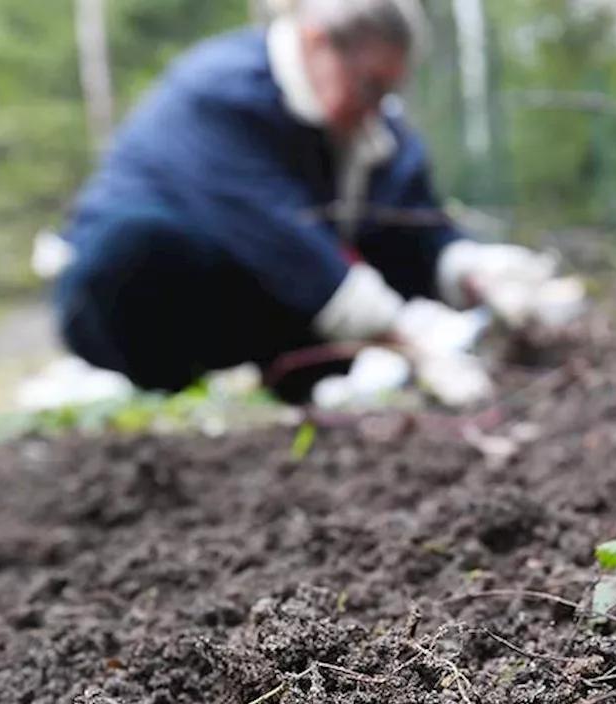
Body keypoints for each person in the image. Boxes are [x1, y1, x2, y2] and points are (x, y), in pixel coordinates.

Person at [47, 0, 562, 404]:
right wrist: (417, 344)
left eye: (389, 92)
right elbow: (286, 244)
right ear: (316, 43)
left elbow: (416, 232)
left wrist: (479, 273)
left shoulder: (369, 132)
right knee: (137, 245)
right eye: (369, 85)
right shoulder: (219, 96)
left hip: (251, 298)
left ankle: (295, 386)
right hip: (125, 304)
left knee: (353, 265)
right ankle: (151, 382)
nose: (376, 107)